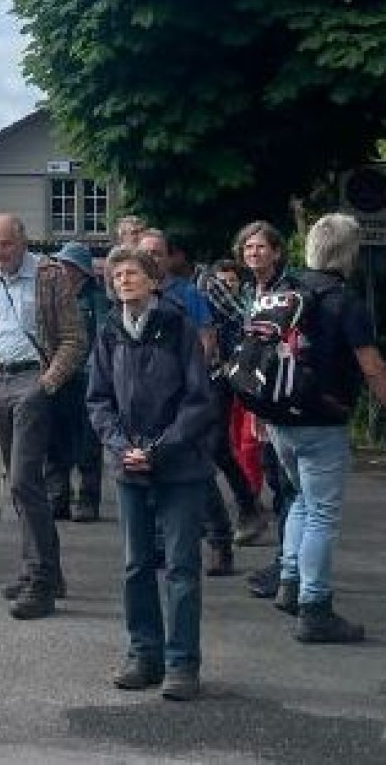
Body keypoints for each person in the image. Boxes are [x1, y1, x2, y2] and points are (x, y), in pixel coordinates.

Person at [87, 243, 215, 703]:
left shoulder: (179, 328)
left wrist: (158, 450)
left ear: (153, 280)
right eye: (117, 275)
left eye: (133, 273)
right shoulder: (108, 333)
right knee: (136, 565)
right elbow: (98, 401)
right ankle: (144, 654)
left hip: (180, 465)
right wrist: (123, 448)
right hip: (128, 466)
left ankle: (182, 662)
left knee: (181, 566)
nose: (124, 280)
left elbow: (199, 401)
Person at [264, 213, 386, 643]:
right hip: (323, 420)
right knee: (322, 514)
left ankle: (289, 582)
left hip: (279, 417)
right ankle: (314, 608)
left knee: (300, 499)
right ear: (349, 252)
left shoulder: (285, 291)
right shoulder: (344, 300)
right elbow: (371, 367)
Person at [0, 212, 86, 619]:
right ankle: (41, 570)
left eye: (5, 244)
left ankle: (41, 582)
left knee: (26, 480)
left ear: (23, 241)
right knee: (19, 483)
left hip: (32, 384)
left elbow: (75, 339)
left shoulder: (49, 275)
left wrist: (47, 383)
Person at [140, 228, 234, 575]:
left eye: (157, 253)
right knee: (153, 469)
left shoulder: (188, 294)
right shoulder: (134, 294)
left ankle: (220, 541)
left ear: (168, 258)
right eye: (145, 252)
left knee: (196, 471)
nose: (151, 258)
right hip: (149, 401)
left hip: (187, 397)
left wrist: (191, 382)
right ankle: (162, 545)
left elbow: (208, 339)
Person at [235, 219, 298, 600]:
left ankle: (288, 567)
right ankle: (286, 560)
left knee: (288, 485)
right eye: (247, 248)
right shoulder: (248, 291)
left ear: (276, 251)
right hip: (256, 395)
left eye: (260, 247)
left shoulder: (286, 292)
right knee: (277, 480)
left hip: (279, 396)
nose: (253, 253)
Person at [197, 254, 271, 549]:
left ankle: (245, 507)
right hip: (186, 377)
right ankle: (217, 520)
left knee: (217, 446)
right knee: (199, 450)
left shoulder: (204, 287)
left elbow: (244, 322)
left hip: (220, 375)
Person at [43, 242, 108, 524]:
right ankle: (57, 497)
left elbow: (103, 336)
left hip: (86, 378)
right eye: (60, 264)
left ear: (81, 271)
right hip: (57, 377)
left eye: (67, 265)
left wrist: (95, 373)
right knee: (54, 439)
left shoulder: (96, 297)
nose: (61, 269)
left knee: (88, 442)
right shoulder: (53, 295)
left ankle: (87, 500)